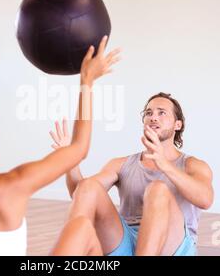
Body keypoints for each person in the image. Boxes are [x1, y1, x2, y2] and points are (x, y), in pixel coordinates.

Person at [0, 35, 121, 256]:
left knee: (81, 229)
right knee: (82, 229)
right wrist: (87, 80)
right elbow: (79, 148)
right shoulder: (5, 188)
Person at [49, 93, 214, 256]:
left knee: (157, 190)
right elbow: (80, 194)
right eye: (148, 113)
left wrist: (165, 165)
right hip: (127, 241)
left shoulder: (193, 165)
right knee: (89, 186)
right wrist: (70, 159)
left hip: (173, 245)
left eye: (161, 113)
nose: (153, 117)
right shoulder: (121, 164)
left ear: (178, 124)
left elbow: (206, 200)